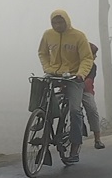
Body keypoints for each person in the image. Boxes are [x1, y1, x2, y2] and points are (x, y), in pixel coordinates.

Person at [38, 9, 94, 163]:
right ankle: (39, 123)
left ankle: (75, 147)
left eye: (60, 22)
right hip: (53, 74)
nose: (57, 25)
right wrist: (47, 68)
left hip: (74, 77)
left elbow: (87, 58)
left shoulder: (78, 36)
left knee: (75, 110)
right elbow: (42, 53)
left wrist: (81, 74)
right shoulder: (48, 35)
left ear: (67, 21)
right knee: (40, 99)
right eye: (54, 22)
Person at [83, 43, 105, 149]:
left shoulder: (92, 66)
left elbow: (88, 82)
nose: (95, 56)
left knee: (92, 110)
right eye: (94, 54)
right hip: (69, 88)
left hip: (85, 91)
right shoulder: (72, 63)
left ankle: (97, 139)